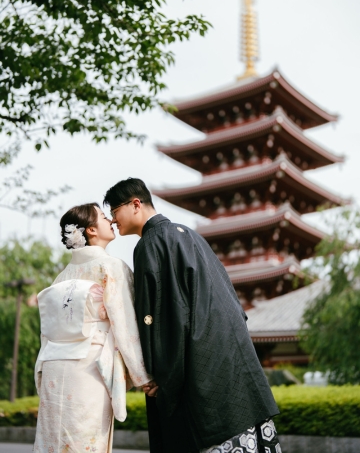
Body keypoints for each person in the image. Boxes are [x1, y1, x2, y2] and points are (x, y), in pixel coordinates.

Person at [104, 178, 282, 453]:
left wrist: (153, 372)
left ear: (136, 204)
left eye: (115, 211)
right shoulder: (189, 234)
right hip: (229, 350)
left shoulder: (150, 244)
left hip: (197, 360)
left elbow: (158, 315)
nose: (113, 221)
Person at [33, 203, 152, 453]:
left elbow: (48, 333)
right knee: (85, 439)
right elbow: (125, 324)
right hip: (89, 366)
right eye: (102, 217)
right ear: (91, 230)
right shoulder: (110, 267)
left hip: (55, 365)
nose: (110, 220)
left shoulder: (61, 277)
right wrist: (142, 376)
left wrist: (40, 373)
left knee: (54, 440)